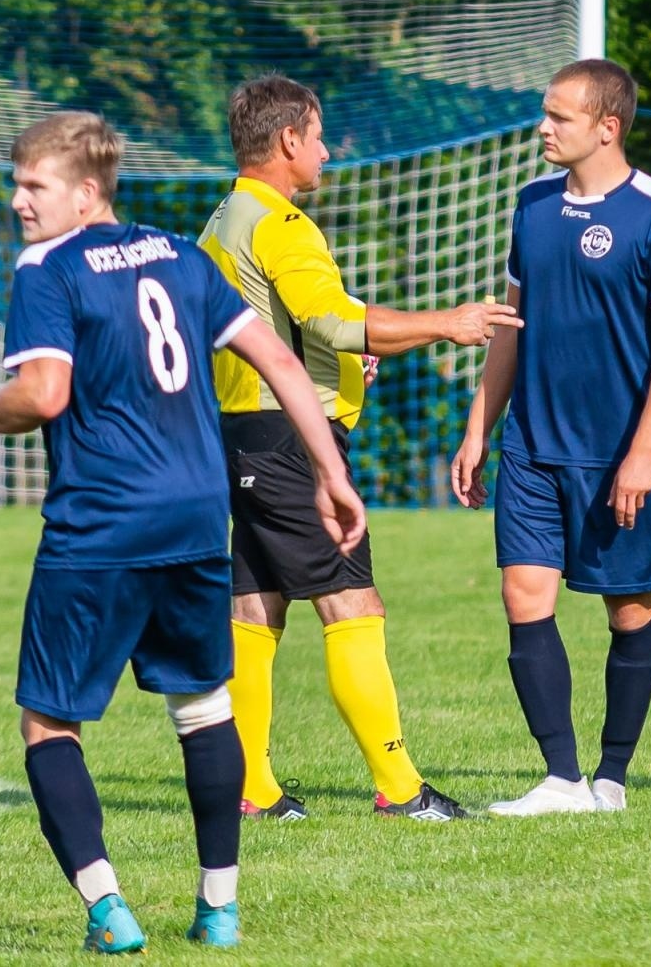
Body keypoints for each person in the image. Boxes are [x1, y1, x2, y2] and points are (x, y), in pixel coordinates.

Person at [0, 112, 365, 951]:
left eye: (34, 186)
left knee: (50, 722)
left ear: (86, 193)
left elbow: (44, 394)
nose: (18, 201)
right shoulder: (178, 253)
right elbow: (280, 360)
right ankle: (219, 908)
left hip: (102, 522)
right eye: (17, 184)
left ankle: (107, 910)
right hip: (200, 516)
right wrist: (333, 473)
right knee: (203, 708)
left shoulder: (46, 269)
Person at [199, 74, 523, 822]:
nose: (324, 152)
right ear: (287, 141)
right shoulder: (279, 223)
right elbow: (338, 322)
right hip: (288, 440)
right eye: (318, 137)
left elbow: (286, 329)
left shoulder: (224, 216)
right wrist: (449, 322)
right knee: (353, 603)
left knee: (254, 606)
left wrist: (344, 362)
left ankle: (251, 788)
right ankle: (403, 790)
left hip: (243, 432)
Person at [450, 59, 651, 816]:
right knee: (523, 596)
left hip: (614, 452)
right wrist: (477, 430)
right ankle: (561, 778)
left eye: (557, 117)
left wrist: (642, 452)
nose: (542, 129)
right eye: (544, 114)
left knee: (628, 609)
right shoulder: (530, 207)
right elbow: (511, 328)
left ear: (606, 127)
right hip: (531, 445)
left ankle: (612, 776)